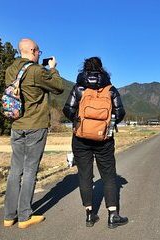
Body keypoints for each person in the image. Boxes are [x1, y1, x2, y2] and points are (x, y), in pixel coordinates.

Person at [3, 38, 64, 229]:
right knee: (30, 169)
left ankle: (8, 216)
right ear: (32, 50)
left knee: (15, 169)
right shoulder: (37, 71)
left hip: (17, 125)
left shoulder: (10, 70)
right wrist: (52, 68)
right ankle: (24, 216)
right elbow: (59, 87)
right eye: (38, 51)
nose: (40, 54)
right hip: (35, 125)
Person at [63, 57, 128, 228]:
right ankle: (113, 215)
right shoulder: (110, 89)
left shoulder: (79, 88)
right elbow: (120, 112)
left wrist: (79, 122)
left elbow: (67, 109)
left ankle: (90, 215)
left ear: (84, 69)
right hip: (104, 139)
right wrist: (106, 125)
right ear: (102, 69)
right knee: (108, 176)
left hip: (80, 139)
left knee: (85, 175)